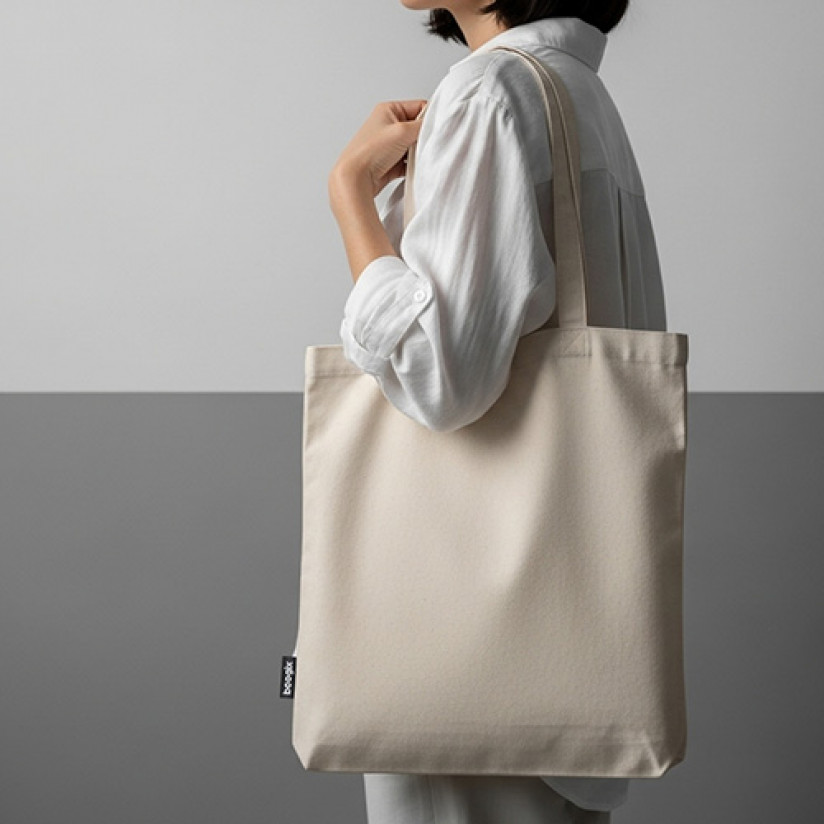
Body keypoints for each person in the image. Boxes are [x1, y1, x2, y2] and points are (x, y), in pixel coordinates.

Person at [328, 1, 667, 821]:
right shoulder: (578, 92)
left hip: (461, 648)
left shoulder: (491, 94)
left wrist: (349, 197)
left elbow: (438, 373)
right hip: (565, 642)